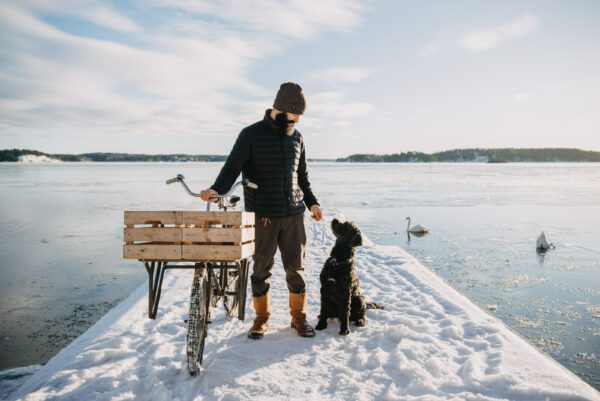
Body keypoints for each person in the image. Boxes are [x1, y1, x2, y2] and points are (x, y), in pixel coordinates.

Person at [200, 82, 323, 339]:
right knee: (260, 270)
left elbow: (302, 176)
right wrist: (216, 189)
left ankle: (298, 318)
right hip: (264, 215)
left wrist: (312, 202)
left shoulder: (297, 138)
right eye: (296, 113)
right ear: (282, 108)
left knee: (296, 269)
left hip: (293, 215)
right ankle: (261, 319)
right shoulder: (251, 134)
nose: (299, 119)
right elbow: (232, 166)